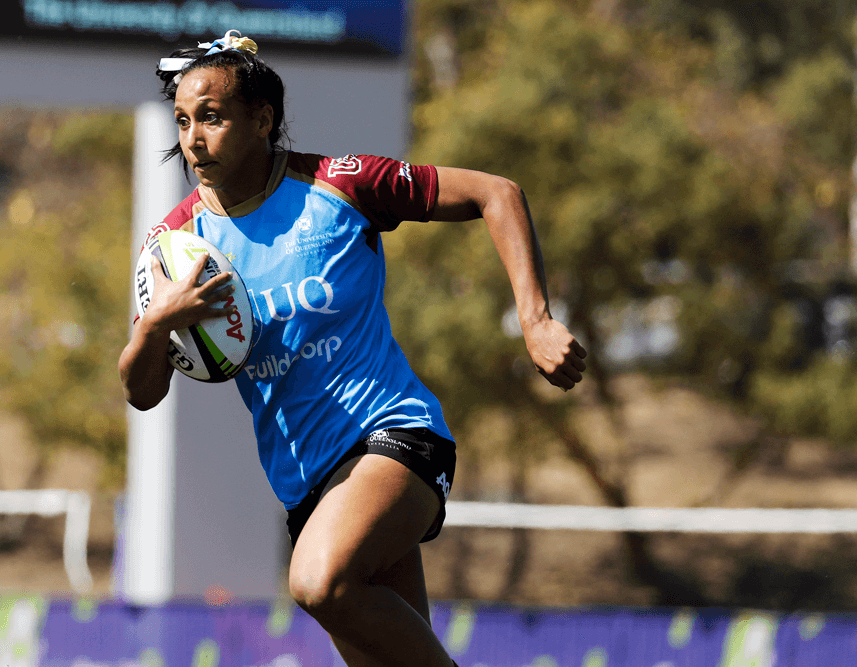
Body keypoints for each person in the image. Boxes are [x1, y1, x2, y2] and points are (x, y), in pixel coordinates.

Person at [118, 29, 587, 667]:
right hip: (307, 488)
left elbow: (495, 193)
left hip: (394, 436)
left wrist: (535, 321)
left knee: (318, 583)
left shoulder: (338, 185)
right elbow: (141, 393)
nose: (193, 138)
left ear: (262, 119)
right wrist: (154, 325)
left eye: (212, 117)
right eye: (182, 121)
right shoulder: (175, 246)